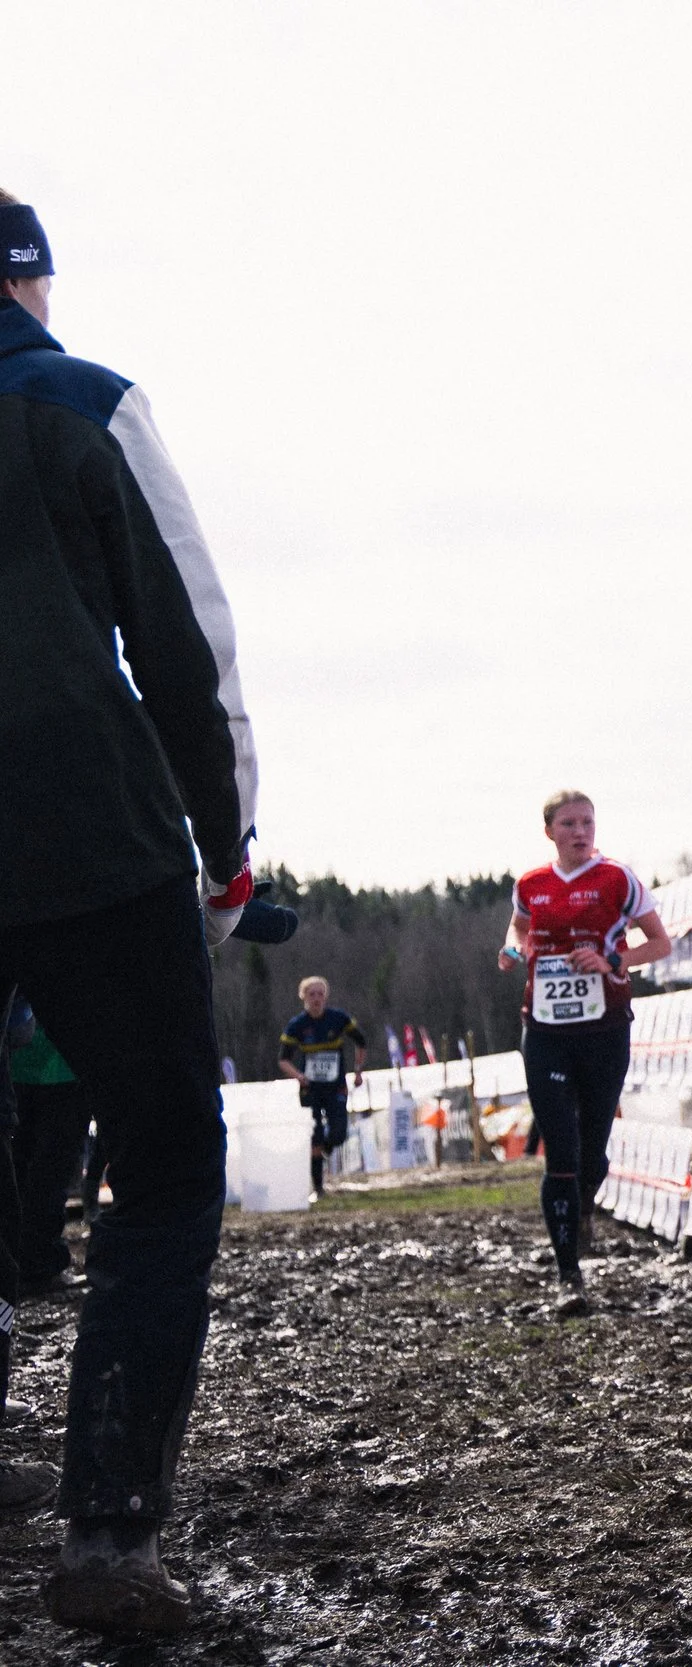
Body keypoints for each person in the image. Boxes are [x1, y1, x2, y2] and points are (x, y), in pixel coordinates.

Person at [0, 189, 259, 1631]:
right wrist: (225, 839)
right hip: (89, 828)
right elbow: (187, 638)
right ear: (30, 283)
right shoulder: (82, 400)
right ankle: (109, 1522)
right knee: (160, 1165)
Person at [498, 792, 671, 1303]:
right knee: (561, 1153)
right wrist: (513, 948)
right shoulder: (531, 884)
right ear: (549, 831)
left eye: (588, 823)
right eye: (569, 823)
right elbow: (520, 927)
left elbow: (660, 943)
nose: (581, 832)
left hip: (604, 1029)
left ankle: (585, 1207)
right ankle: (568, 1275)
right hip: (545, 1031)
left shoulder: (618, 878)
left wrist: (613, 960)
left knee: (592, 1154)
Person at [10, 998, 92, 1292]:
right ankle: (39, 1262)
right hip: (64, 1063)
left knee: (19, 1165)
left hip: (18, 1059)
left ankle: (18, 1261)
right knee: (52, 1168)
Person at [277, 977, 365, 1202]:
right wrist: (298, 1076)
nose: (316, 999)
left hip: (336, 1086)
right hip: (310, 1089)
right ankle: (318, 1188)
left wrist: (358, 1071)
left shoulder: (339, 1018)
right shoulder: (297, 1025)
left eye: (320, 994)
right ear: (303, 997)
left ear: (326, 997)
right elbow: (283, 1060)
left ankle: (325, 1148)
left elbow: (361, 1042)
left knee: (339, 1133)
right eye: (311, 994)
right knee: (314, 1137)